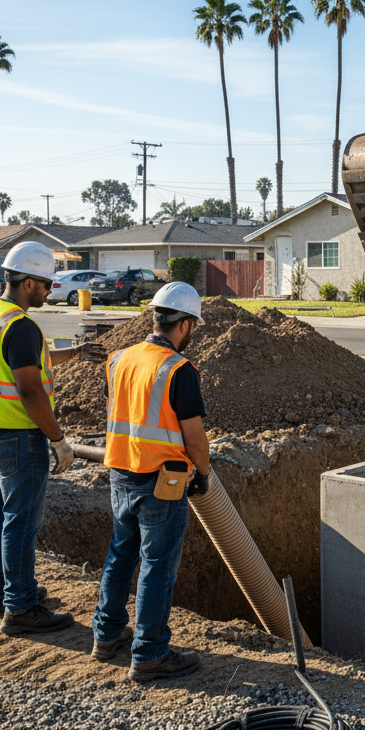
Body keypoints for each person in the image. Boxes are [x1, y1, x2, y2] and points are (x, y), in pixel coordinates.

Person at [0, 242, 89, 634]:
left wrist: (76, 353)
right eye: (47, 285)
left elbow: (24, 363)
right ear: (28, 282)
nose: (51, 291)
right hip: (18, 436)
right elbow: (30, 389)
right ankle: (20, 608)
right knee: (20, 523)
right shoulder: (21, 325)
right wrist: (57, 439)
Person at [91, 281, 212, 683]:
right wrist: (204, 475)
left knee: (120, 556)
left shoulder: (118, 358)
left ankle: (106, 636)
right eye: (193, 326)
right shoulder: (179, 370)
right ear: (186, 325)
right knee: (157, 568)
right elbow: (194, 438)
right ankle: (149, 654)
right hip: (162, 483)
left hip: (120, 475)